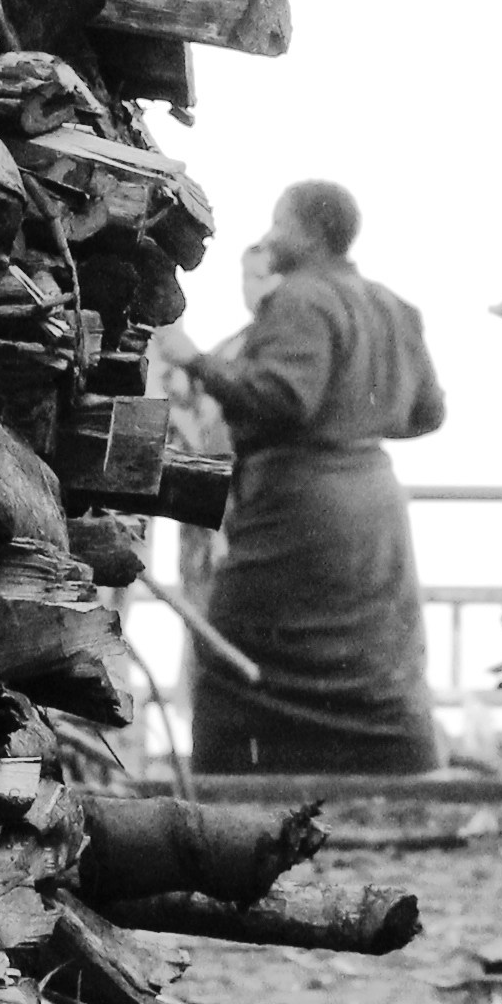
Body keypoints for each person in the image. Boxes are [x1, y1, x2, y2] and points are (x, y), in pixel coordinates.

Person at [171, 179, 447, 775]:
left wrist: (193, 359)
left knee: (230, 654)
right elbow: (428, 414)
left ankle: (227, 793)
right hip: (374, 505)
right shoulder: (393, 306)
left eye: (279, 224)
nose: (271, 238)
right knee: (373, 659)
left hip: (298, 509)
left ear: (311, 232)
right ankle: (397, 769)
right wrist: (355, 421)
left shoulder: (300, 299)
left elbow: (280, 400)